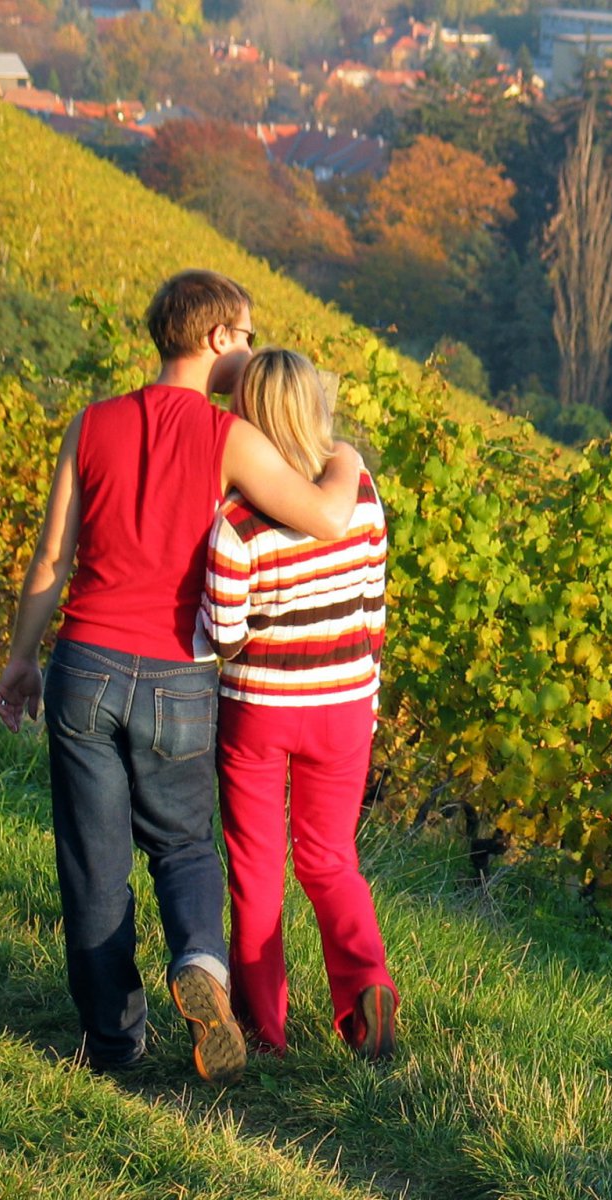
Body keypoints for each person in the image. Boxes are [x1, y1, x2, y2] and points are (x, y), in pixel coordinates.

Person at [0, 270, 366, 1085]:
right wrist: (345, 459)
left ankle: (113, 1043)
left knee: (93, 862)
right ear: (217, 339)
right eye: (248, 334)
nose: (253, 348)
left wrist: (22, 661)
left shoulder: (90, 424)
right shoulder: (231, 438)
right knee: (185, 845)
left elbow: (51, 558)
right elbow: (326, 517)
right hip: (176, 675)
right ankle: (201, 962)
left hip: (83, 664)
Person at [200, 348, 398, 1061]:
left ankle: (264, 1030)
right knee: (330, 859)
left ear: (245, 417)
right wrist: (366, 690)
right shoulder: (362, 491)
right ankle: (367, 985)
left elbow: (223, 636)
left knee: (257, 870)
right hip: (346, 705)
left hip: (259, 709)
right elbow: (374, 605)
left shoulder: (234, 521)